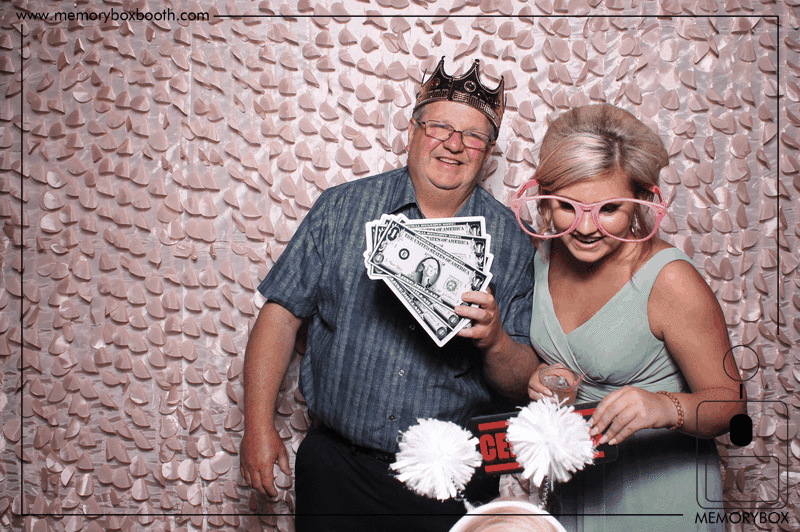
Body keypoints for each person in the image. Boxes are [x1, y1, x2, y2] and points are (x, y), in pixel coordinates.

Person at [240, 57, 538, 532]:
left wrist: (495, 339)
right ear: (413, 130)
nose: (454, 144)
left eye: (473, 136)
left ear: (488, 152)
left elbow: (523, 383)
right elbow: (280, 315)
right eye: (440, 127)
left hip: (448, 479)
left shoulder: (513, 242)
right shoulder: (341, 208)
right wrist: (257, 426)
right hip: (337, 469)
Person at [512, 104, 745, 532]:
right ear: (544, 197)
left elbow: (731, 407)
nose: (585, 227)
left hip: (662, 499)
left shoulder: (670, 280)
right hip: (579, 489)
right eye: (566, 206)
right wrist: (543, 377)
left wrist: (663, 407)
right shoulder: (544, 256)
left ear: (639, 201)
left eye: (608, 209)